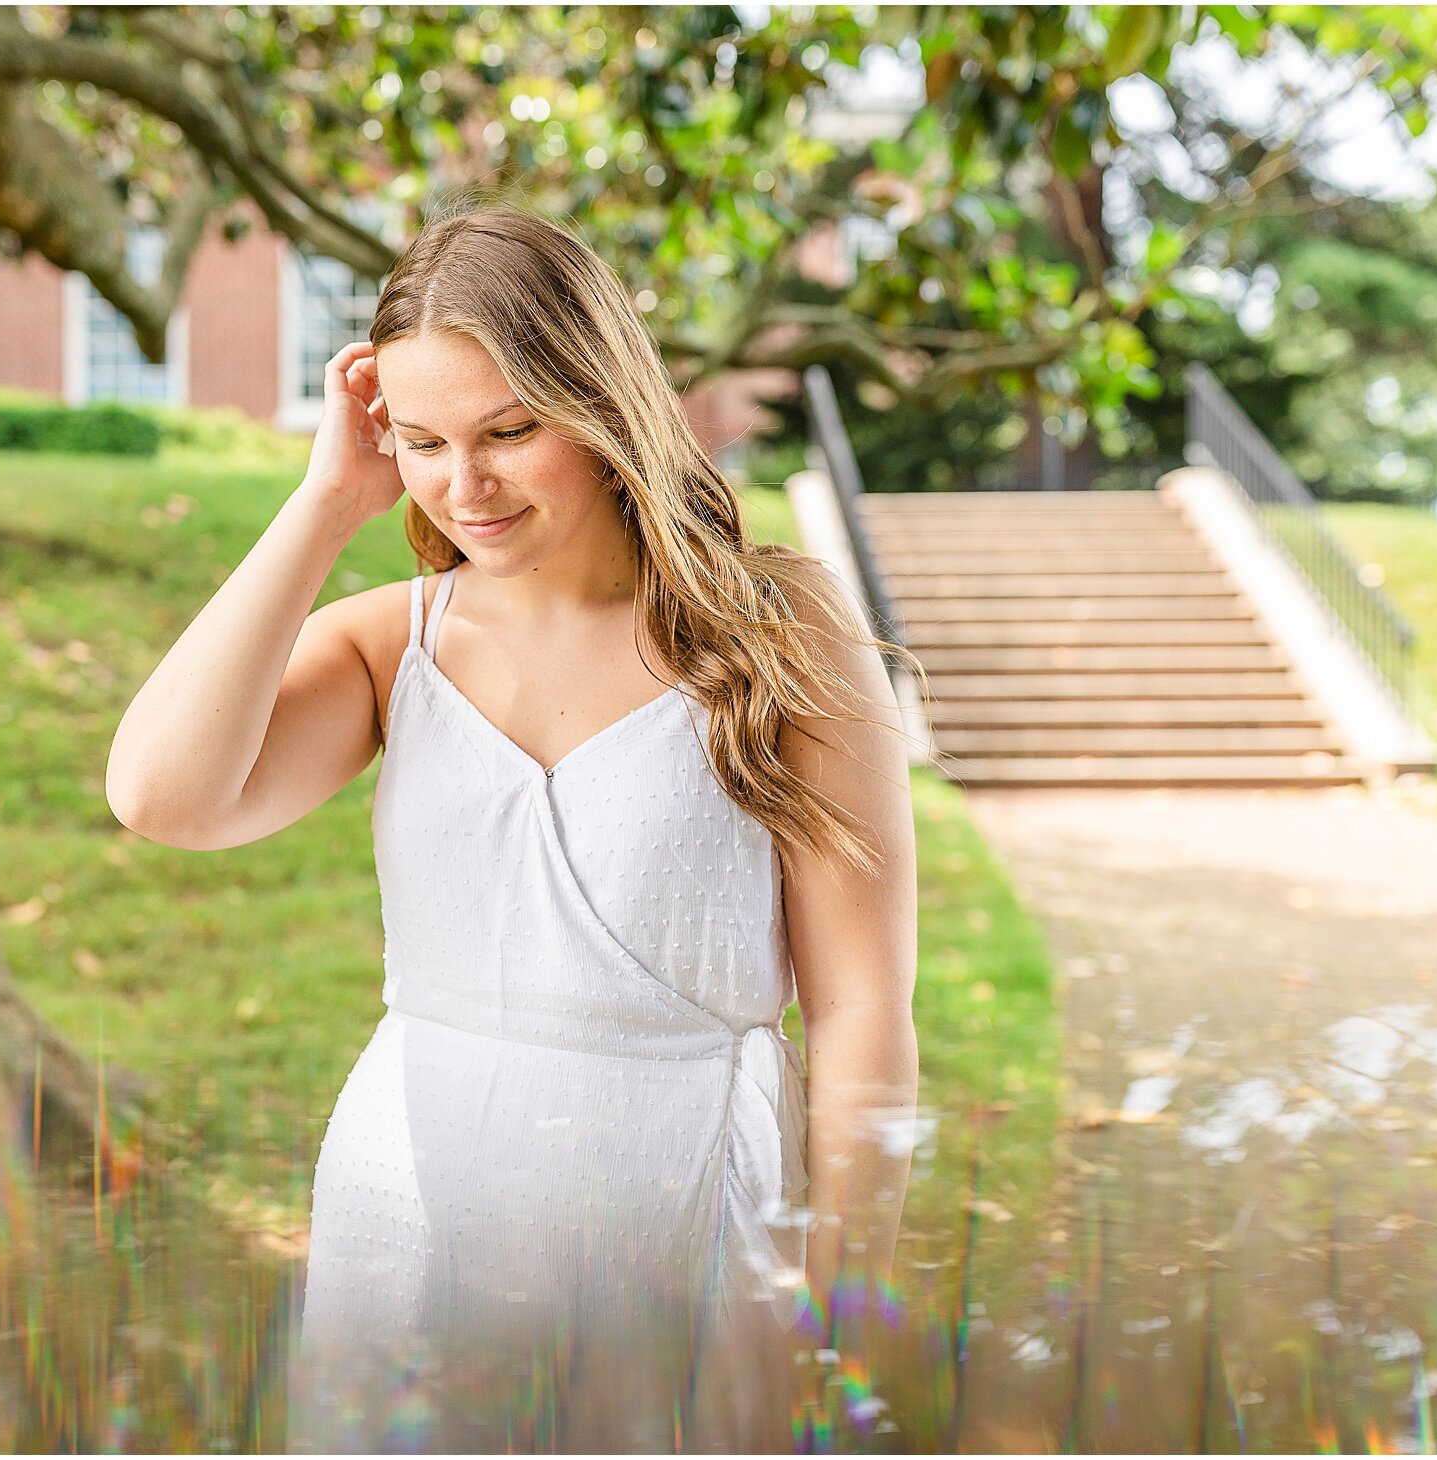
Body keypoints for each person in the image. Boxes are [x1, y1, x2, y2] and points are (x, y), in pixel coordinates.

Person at [104, 199, 920, 1453]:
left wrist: (837, 1304)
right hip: (412, 1204)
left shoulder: (776, 635)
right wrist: (328, 501)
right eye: (421, 440)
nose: (461, 485)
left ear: (600, 408)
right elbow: (162, 795)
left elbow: (863, 1005)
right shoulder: (398, 644)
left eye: (508, 430)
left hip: (686, 1213)